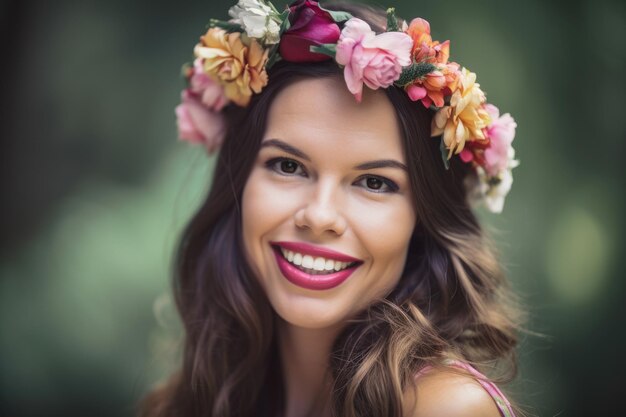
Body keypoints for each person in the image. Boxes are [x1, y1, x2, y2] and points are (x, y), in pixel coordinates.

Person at [141, 1, 523, 416]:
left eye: (375, 183)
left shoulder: (444, 407)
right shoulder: (190, 401)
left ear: (424, 218)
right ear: (238, 184)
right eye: (288, 166)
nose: (320, 216)